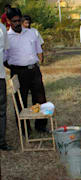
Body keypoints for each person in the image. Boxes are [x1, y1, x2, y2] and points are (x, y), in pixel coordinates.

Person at [4, 8, 48, 135]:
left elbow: (38, 50)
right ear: (8, 21)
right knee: (20, 102)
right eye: (14, 21)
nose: (17, 23)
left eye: (19, 20)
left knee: (40, 99)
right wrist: (15, 68)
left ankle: (41, 126)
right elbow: (4, 59)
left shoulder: (31, 33)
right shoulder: (6, 37)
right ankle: (24, 130)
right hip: (18, 73)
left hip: (34, 70)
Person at [0, 22, 11, 151]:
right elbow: (6, 51)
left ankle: (2, 141)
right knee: (1, 112)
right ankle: (1, 141)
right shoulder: (2, 28)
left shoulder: (2, 28)